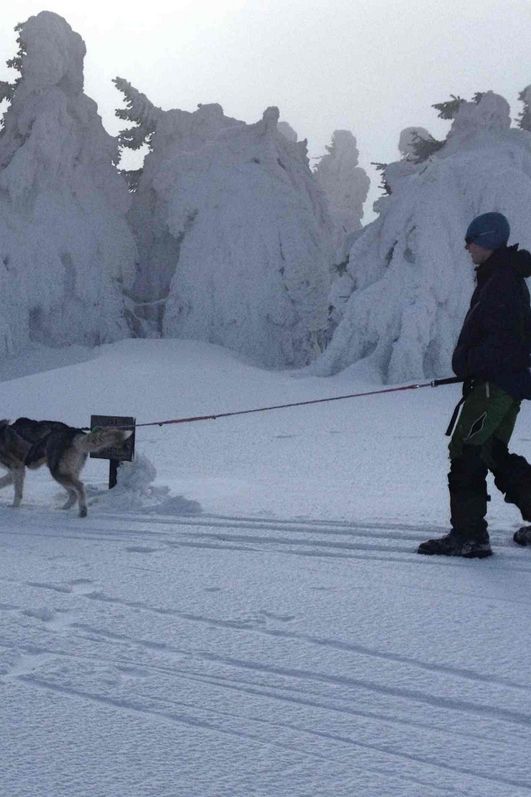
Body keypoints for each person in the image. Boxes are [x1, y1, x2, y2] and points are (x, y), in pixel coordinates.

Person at [418, 212, 531, 558]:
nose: (466, 246)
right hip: (503, 383)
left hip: (493, 387)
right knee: (490, 451)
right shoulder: (501, 277)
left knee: (466, 450)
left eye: (472, 239)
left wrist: (468, 364)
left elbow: (504, 341)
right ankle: (470, 533)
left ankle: (469, 536)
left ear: (489, 239)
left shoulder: (502, 283)